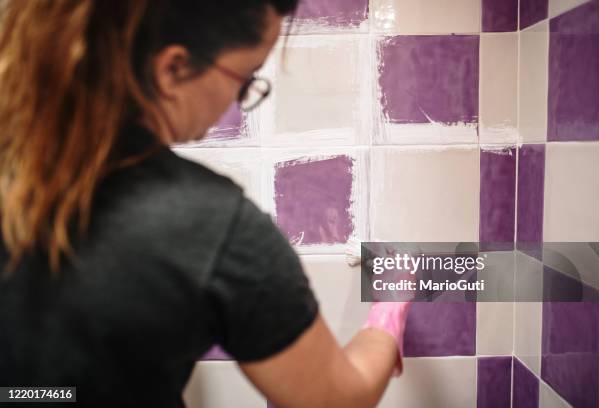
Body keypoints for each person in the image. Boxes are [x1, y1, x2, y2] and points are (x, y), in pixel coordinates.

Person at [0, 1, 412, 407]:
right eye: (246, 79)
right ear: (173, 68)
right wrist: (389, 311)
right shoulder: (207, 225)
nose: (238, 100)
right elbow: (336, 401)